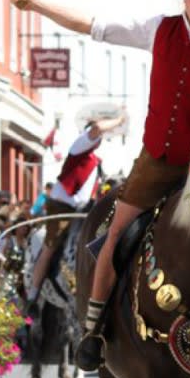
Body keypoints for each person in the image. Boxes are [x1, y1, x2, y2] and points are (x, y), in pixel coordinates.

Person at [10, 0, 190, 370]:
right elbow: (93, 24)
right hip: (156, 160)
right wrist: (35, 4)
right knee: (115, 234)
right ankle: (94, 328)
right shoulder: (159, 28)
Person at [28, 116, 124, 305]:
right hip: (62, 206)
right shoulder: (80, 145)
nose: (100, 137)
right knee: (50, 246)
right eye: (98, 134)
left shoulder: (96, 160)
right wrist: (119, 119)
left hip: (83, 208)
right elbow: (97, 127)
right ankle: (33, 294)